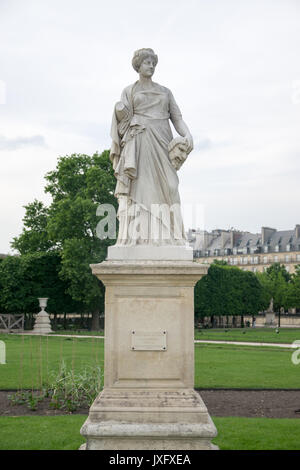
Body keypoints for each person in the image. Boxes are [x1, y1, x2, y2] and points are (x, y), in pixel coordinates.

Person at [110, 48, 193, 246]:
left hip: (163, 141)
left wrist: (187, 134)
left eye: (153, 63)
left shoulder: (165, 92)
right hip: (139, 142)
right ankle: (138, 238)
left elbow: (177, 118)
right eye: (147, 62)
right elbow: (122, 120)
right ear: (138, 66)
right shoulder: (129, 91)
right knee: (139, 188)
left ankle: (173, 237)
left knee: (171, 187)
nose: (151, 66)